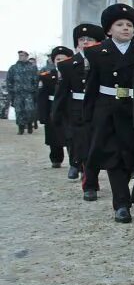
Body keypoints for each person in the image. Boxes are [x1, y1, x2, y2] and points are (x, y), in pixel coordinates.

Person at [83, 4, 134, 223]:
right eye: (119, 25)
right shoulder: (96, 52)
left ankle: (129, 194)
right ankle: (122, 204)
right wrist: (88, 116)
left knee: (131, 156)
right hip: (108, 110)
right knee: (114, 157)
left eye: (129, 25)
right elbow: (91, 87)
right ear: (109, 30)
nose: (125, 28)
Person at [52, 24, 105, 191]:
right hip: (78, 110)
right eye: (82, 40)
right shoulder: (67, 65)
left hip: (98, 107)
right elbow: (62, 92)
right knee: (83, 145)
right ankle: (89, 183)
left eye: (90, 39)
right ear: (77, 43)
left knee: (97, 146)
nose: (86, 43)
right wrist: (57, 114)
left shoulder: (104, 59)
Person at [37, 46, 74, 168]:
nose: (61, 61)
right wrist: (42, 115)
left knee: (71, 137)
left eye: (64, 59)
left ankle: (74, 162)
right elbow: (42, 98)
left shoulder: (75, 74)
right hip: (52, 108)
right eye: (58, 59)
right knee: (54, 137)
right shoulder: (46, 76)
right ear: (53, 61)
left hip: (69, 108)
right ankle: (56, 158)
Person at [7, 50, 38, 134]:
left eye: (23, 55)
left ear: (27, 57)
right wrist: (11, 92)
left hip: (29, 93)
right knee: (19, 110)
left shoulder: (32, 67)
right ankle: (20, 128)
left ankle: (29, 124)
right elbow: (9, 80)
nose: (21, 57)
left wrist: (35, 91)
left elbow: (36, 81)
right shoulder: (13, 68)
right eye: (20, 55)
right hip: (17, 93)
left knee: (29, 110)